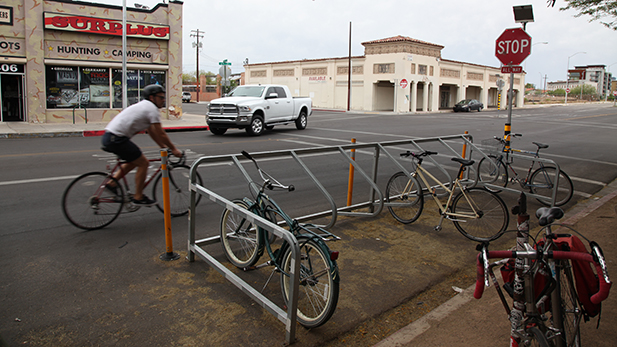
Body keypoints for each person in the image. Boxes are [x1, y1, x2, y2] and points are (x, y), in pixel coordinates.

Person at [101, 84, 182, 206]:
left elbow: (151, 131)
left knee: (134, 160)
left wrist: (162, 146)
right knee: (144, 163)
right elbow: (161, 133)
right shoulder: (151, 109)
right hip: (117, 138)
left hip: (110, 137)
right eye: (161, 97)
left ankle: (112, 183)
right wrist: (173, 149)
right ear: (152, 97)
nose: (163, 100)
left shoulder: (144, 106)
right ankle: (138, 197)